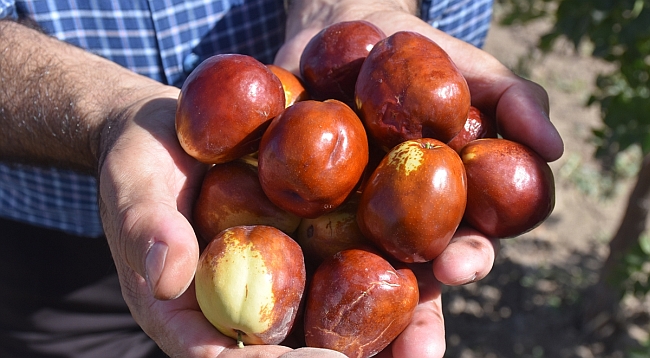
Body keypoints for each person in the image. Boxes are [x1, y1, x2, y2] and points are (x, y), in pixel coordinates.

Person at [0, 0, 564, 357]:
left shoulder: (417, 149)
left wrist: (341, 8)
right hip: (52, 246)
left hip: (303, 244)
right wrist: (108, 117)